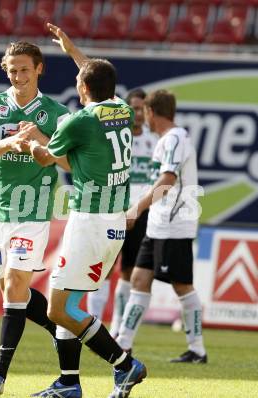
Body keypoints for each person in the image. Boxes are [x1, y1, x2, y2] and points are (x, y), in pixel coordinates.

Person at [24, 24, 147, 398]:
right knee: (72, 304)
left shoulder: (80, 121)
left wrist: (30, 138)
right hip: (112, 223)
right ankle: (68, 383)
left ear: (81, 90)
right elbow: (95, 76)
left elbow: (47, 158)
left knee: (57, 309)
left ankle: (125, 366)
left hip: (91, 221)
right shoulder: (121, 110)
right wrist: (74, 51)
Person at [0, 41, 71, 394]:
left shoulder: (57, 113)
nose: (18, 76)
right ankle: (61, 328)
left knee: (14, 286)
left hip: (34, 210)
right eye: (12, 70)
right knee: (15, 291)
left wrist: (39, 139)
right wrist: (11, 144)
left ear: (39, 68)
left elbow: (69, 162)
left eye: (24, 69)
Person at [116, 89, 207, 364]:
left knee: (182, 286)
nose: (142, 117)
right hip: (157, 226)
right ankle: (123, 343)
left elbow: (167, 181)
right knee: (139, 279)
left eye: (144, 112)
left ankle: (197, 348)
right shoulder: (167, 139)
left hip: (174, 225)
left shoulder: (175, 139)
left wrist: (138, 207)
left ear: (151, 112)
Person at [86, 89, 158, 339]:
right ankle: (92, 325)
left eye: (141, 109)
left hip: (141, 213)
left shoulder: (154, 139)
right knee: (103, 268)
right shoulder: (117, 136)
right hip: (114, 209)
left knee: (129, 271)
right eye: (134, 108)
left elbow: (158, 179)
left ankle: (117, 328)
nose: (137, 114)